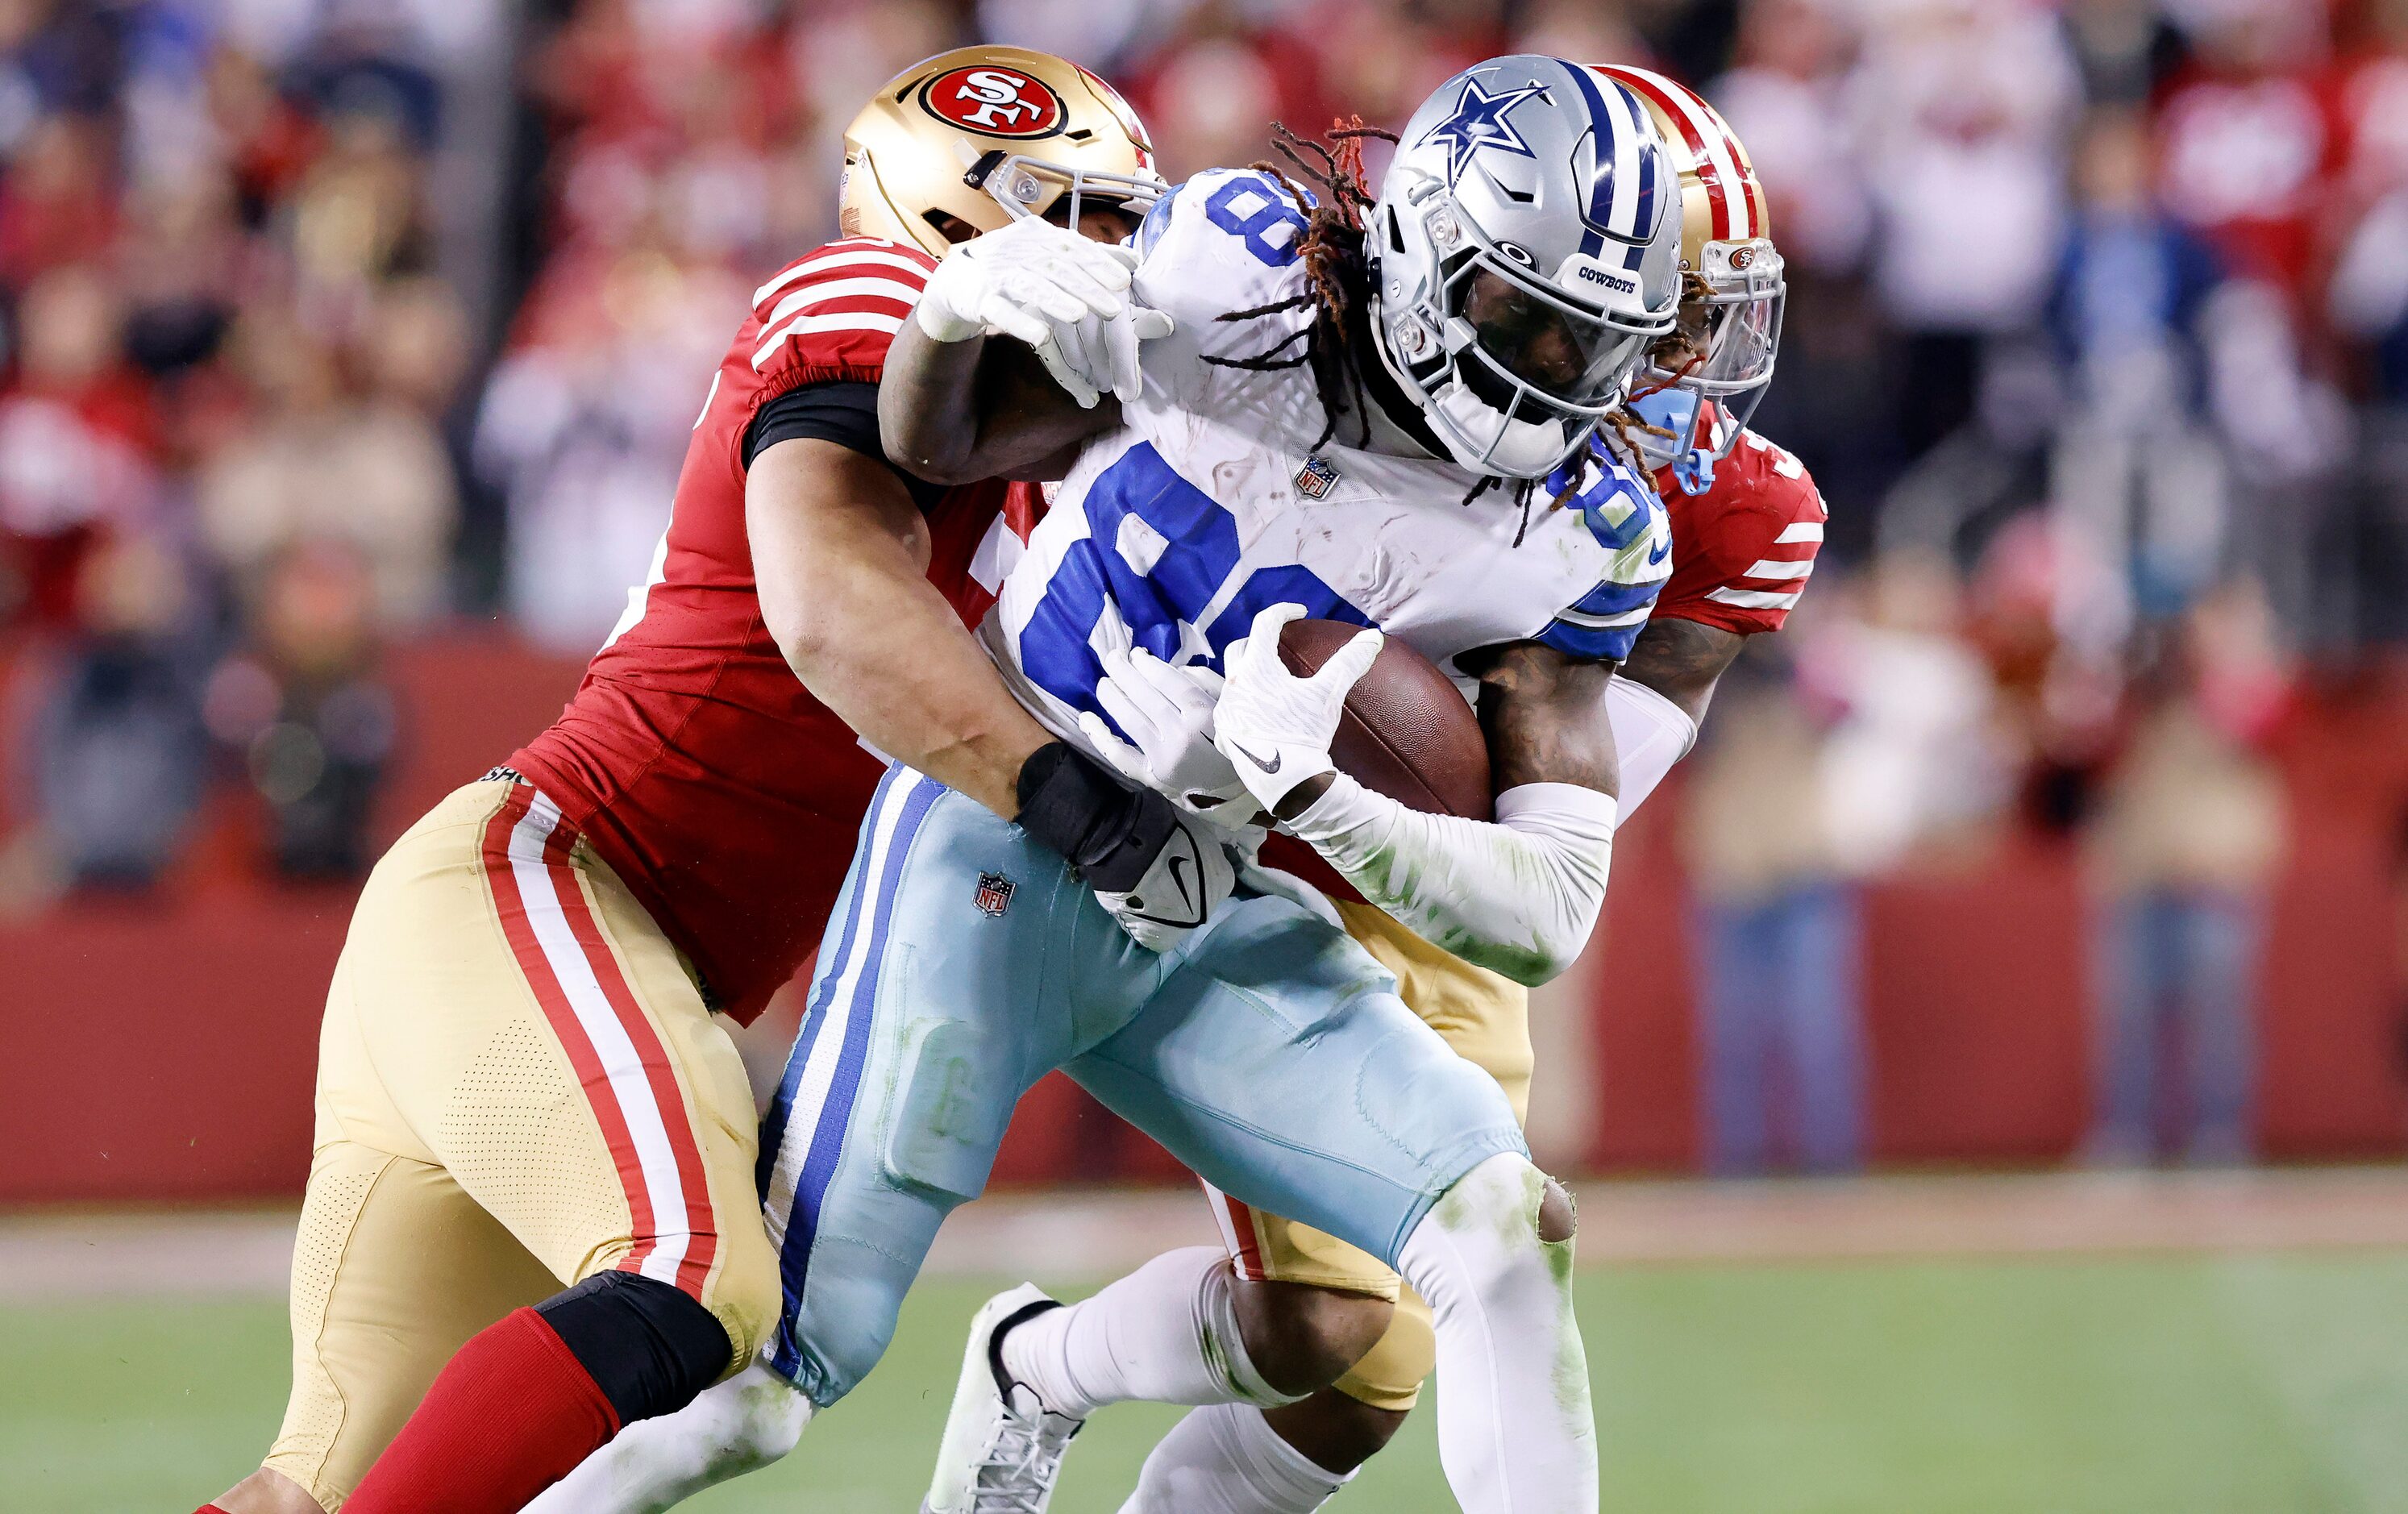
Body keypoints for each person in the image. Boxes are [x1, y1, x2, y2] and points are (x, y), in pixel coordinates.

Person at [550, 53, 1686, 1514]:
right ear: (1420, 255)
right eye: (1522, 316)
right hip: (1000, 849)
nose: (1554, 376)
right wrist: (960, 308)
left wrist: (1340, 810)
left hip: (1214, 892)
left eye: (1596, 344)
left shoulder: (1587, 531)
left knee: (1500, 1229)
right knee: (769, 1377)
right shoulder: (1228, 270)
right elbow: (933, 442)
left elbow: (1546, 914)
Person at [193, 45, 1167, 1514]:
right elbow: (836, 611)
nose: (1117, 258)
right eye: (1076, 214)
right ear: (953, 216)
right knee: (695, 1275)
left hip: (559, 949)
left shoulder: (1058, 467)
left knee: (315, 1489)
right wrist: (1070, 796)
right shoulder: (862, 304)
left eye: (1127, 219)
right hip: (550, 881)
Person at [946, 67, 1829, 1512]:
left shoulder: (1741, 508)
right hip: (1211, 800)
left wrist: (1436, 807)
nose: (1693, 358)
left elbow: (1604, 757)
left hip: (1416, 854)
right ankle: (1036, 1365)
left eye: (1709, 313)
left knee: (1361, 1374)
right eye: (1668, 317)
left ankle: (1037, 1364)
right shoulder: (1313, 323)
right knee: (1394, 1291)